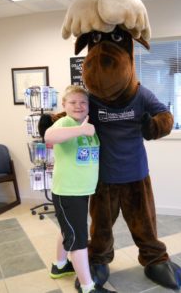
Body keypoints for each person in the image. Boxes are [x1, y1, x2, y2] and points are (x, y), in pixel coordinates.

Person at [45, 85, 117, 293]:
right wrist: (80, 130)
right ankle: (88, 287)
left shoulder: (87, 123)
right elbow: (49, 137)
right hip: (67, 192)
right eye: (73, 102)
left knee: (69, 231)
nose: (78, 106)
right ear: (64, 105)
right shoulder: (65, 122)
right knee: (78, 240)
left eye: (83, 102)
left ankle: (59, 266)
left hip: (80, 191)